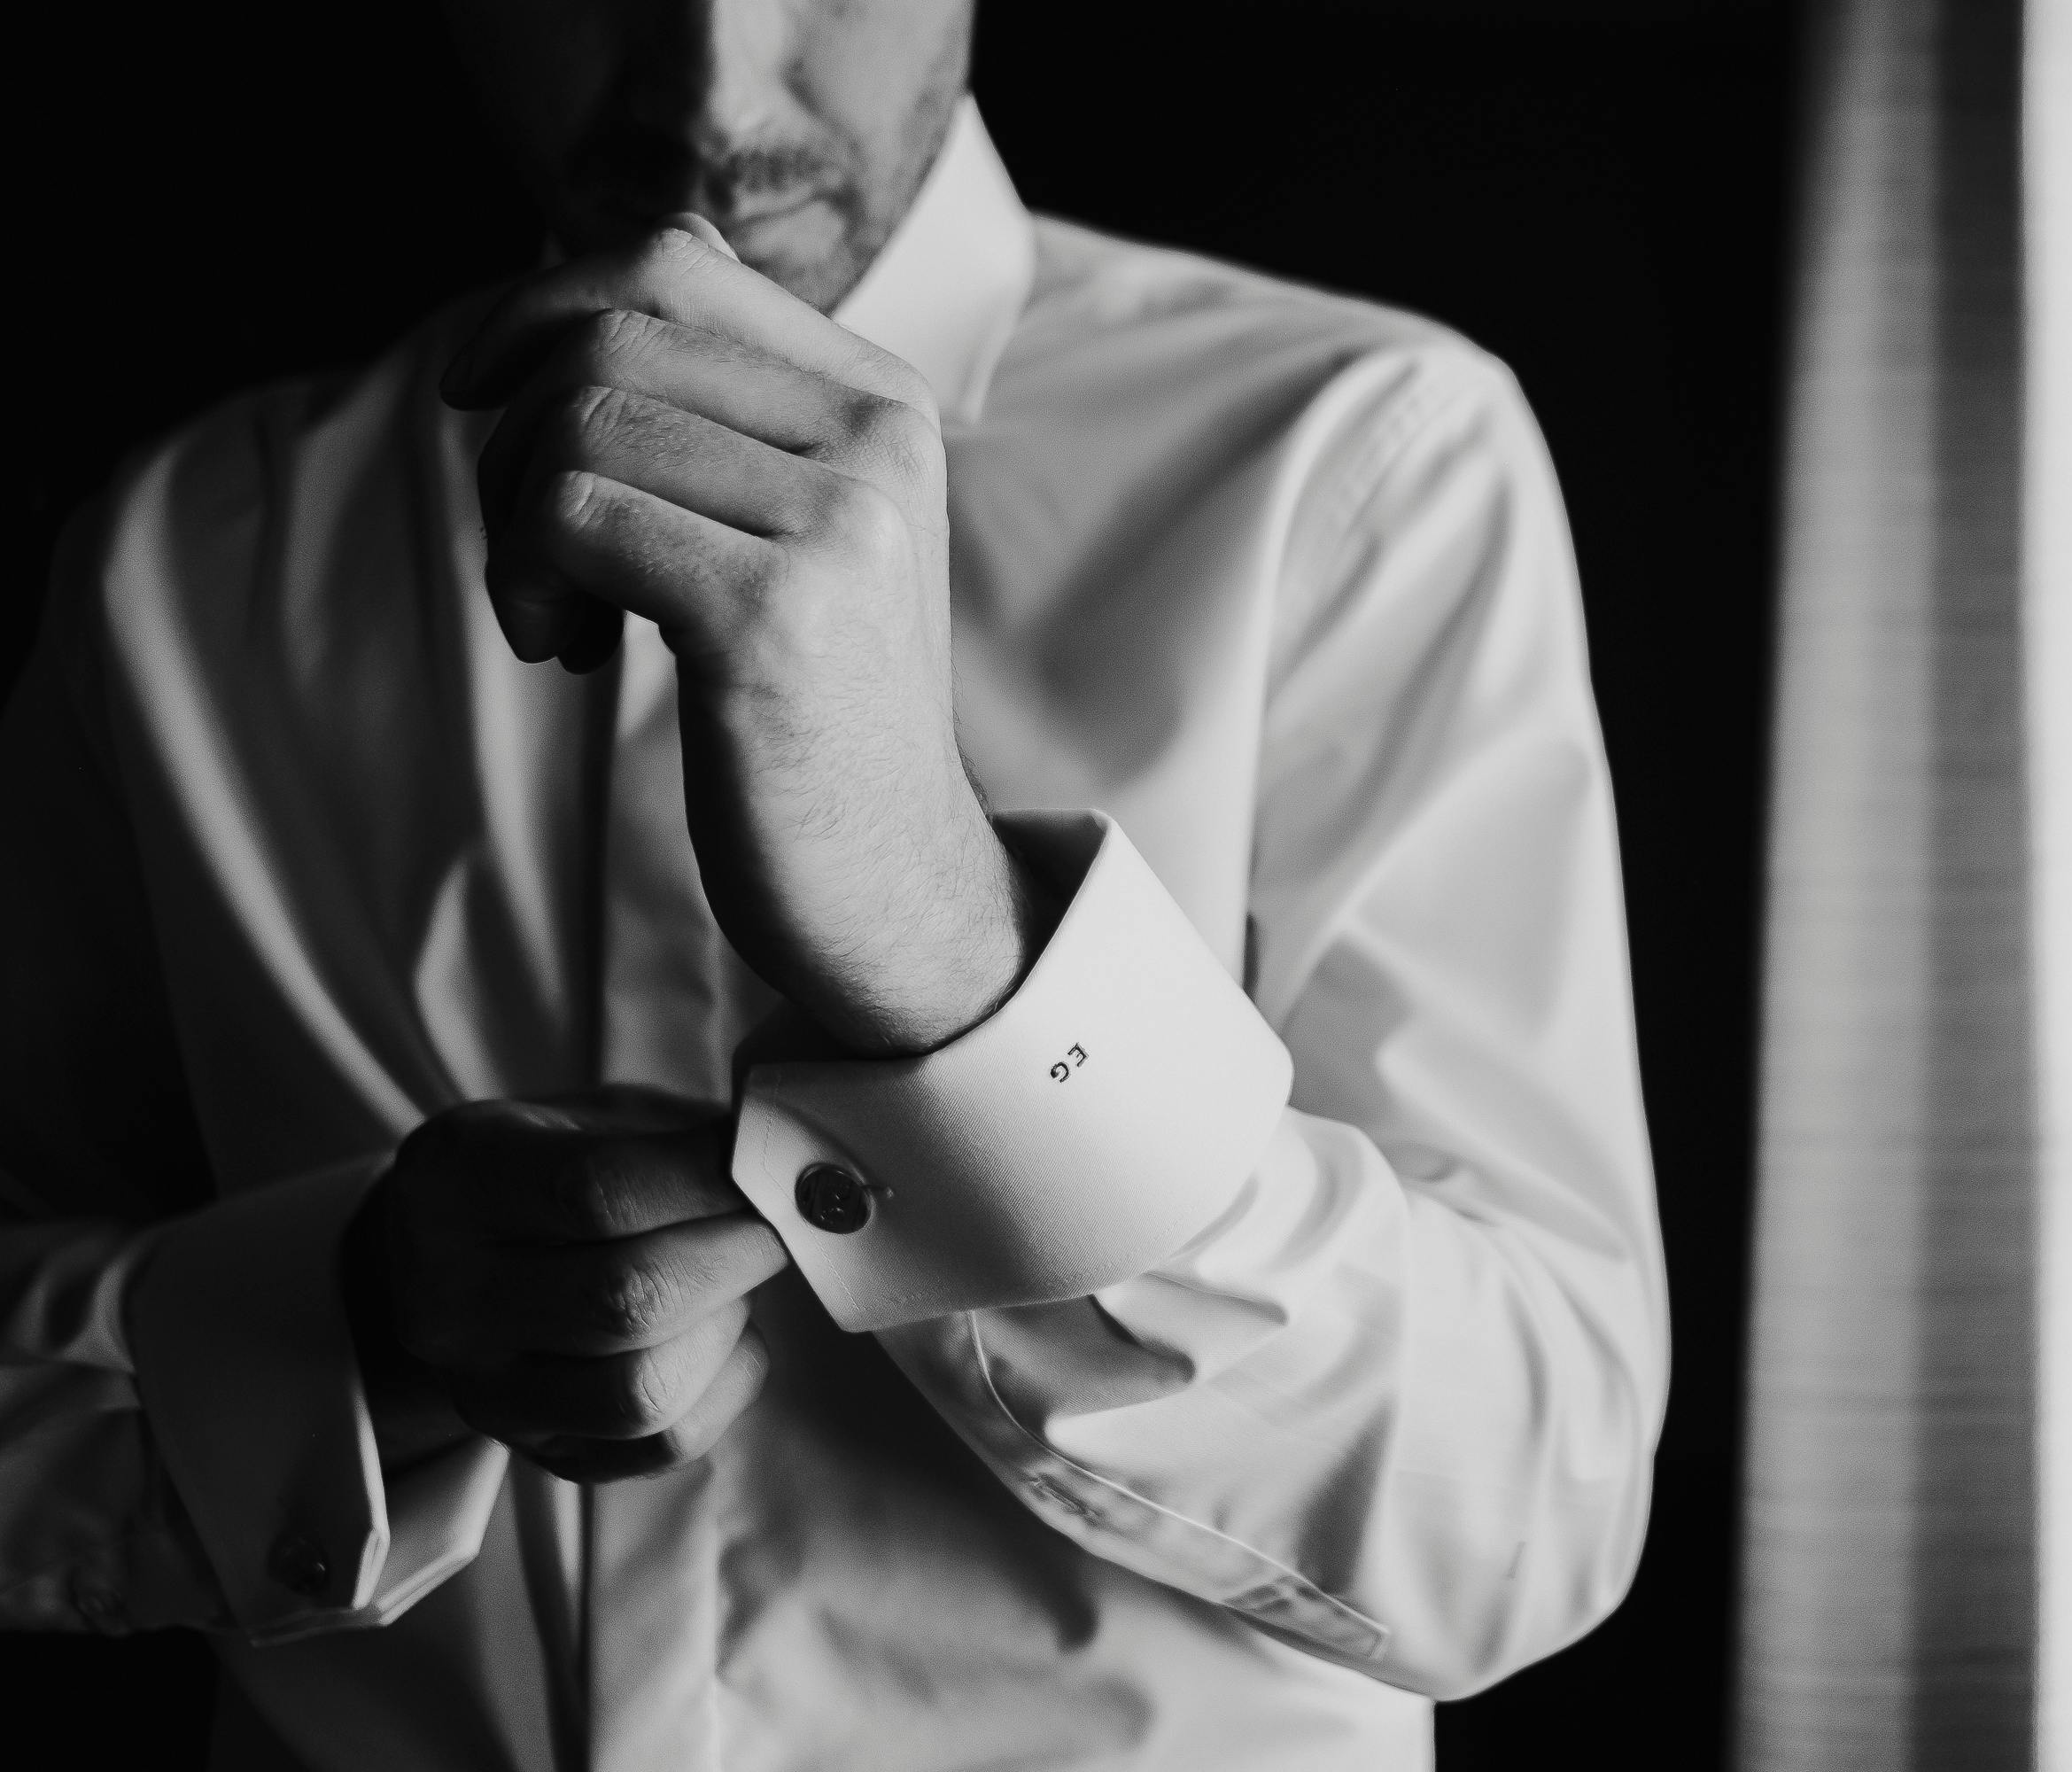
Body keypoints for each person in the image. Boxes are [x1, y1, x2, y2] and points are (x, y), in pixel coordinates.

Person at [0, 0, 1667, 1765]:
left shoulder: (1360, 462)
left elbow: (1528, 1526)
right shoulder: (179, 564)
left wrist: (956, 954)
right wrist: (352, 1332)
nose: (714, 84)